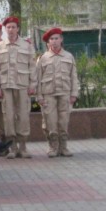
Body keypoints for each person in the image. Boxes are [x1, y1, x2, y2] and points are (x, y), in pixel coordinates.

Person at [0, 16, 37, 159]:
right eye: (8, 27)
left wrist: (33, 84)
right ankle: (12, 147)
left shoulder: (26, 46)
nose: (11, 30)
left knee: (23, 116)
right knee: (8, 117)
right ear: (5, 30)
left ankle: (23, 147)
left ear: (18, 29)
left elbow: (32, 67)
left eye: (13, 27)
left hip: (22, 85)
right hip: (6, 86)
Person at [36, 27, 79, 157]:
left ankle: (63, 147)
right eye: (51, 39)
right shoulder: (43, 58)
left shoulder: (69, 56)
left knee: (63, 121)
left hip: (64, 93)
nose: (54, 41)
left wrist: (74, 94)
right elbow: (37, 79)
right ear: (48, 42)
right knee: (50, 122)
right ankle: (53, 147)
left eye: (56, 38)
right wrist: (39, 96)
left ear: (61, 39)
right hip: (48, 94)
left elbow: (73, 76)